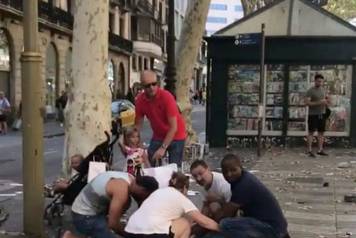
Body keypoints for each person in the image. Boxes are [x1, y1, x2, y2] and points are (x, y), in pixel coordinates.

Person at [124, 172, 220, 238]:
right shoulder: (180, 197)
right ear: (184, 188)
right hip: (151, 234)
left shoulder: (158, 192)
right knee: (184, 223)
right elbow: (204, 221)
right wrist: (222, 229)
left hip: (130, 231)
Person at [216, 154, 289, 238]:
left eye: (233, 170)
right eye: (225, 172)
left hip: (273, 229)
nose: (229, 174)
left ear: (241, 167)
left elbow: (227, 213)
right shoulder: (242, 178)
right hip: (277, 226)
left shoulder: (244, 185)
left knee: (225, 224)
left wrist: (210, 220)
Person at [68, 172, 159, 238]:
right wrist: (129, 234)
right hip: (83, 216)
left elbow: (139, 203)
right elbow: (113, 224)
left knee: (127, 202)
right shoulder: (121, 189)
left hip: (91, 208)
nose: (143, 199)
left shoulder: (130, 178)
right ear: (142, 190)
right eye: (145, 196)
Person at [135, 70, 186, 167]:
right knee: (150, 159)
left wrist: (163, 148)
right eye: (147, 85)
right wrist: (138, 145)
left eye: (154, 84)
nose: (151, 88)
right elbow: (137, 126)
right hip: (159, 135)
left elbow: (173, 128)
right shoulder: (140, 100)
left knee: (173, 168)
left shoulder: (166, 97)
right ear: (142, 86)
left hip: (177, 135)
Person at [305, 74, 330, 157]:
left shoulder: (323, 90)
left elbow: (326, 100)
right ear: (315, 81)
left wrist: (327, 102)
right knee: (311, 132)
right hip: (313, 115)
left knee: (321, 133)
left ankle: (320, 150)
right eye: (319, 81)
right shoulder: (310, 91)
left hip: (322, 114)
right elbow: (307, 103)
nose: (320, 83)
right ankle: (309, 150)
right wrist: (319, 102)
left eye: (322, 81)